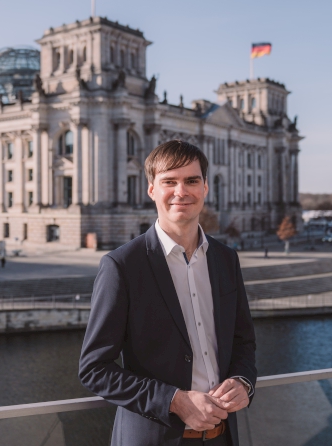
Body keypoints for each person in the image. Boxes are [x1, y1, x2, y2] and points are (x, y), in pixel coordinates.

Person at [79, 140, 256, 446]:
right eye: (169, 182)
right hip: (154, 438)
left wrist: (243, 382)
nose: (181, 191)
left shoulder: (226, 258)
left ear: (205, 189)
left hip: (222, 436)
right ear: (152, 190)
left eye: (191, 181)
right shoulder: (122, 265)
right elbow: (94, 369)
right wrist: (174, 400)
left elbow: (243, 341)